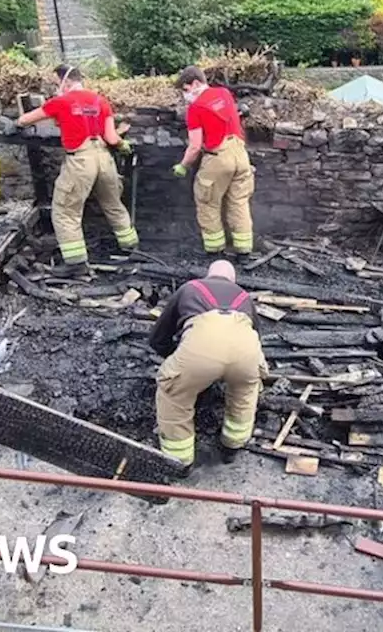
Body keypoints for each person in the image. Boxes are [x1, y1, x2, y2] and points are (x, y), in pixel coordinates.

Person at [15, 64, 138, 277]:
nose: (56, 87)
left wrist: (15, 123)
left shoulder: (60, 101)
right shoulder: (101, 100)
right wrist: (123, 146)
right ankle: (132, 248)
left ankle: (76, 263)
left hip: (80, 161)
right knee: (113, 204)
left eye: (57, 83)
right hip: (104, 158)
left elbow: (25, 119)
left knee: (65, 211)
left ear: (67, 81)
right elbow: (111, 138)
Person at [147, 260, 265, 469]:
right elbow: (256, 335)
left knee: (174, 395)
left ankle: (180, 463)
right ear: (233, 280)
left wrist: (179, 363)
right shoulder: (244, 296)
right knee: (244, 392)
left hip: (201, 349)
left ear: (208, 275)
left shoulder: (190, 288)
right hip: (247, 352)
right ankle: (232, 448)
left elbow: (158, 338)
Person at [174, 66, 255, 256]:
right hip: (241, 155)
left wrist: (183, 165)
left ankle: (214, 250)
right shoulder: (224, 93)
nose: (186, 96)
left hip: (218, 158)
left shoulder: (195, 108)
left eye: (185, 90)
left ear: (195, 83)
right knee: (239, 202)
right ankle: (244, 250)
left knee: (208, 202)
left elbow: (195, 146)